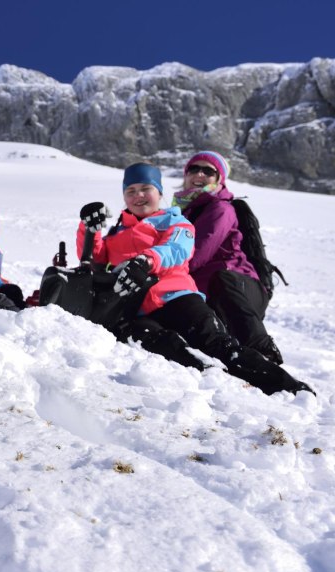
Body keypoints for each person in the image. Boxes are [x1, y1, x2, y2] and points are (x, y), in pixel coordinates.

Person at [77, 163, 312, 396]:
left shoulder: (174, 221)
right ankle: (216, 380)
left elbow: (178, 248)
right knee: (162, 346)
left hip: (178, 298)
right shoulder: (116, 234)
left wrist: (147, 261)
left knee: (220, 345)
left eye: (145, 188)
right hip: (136, 310)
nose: (138, 195)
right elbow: (93, 259)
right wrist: (89, 228)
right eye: (130, 191)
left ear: (159, 192)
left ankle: (290, 389)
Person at [173, 150, 284, 364]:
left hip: (237, 288)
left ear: (219, 179)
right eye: (194, 169)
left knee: (221, 279)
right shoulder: (184, 210)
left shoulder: (220, 208)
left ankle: (264, 355)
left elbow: (196, 255)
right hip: (210, 292)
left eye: (208, 171)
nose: (200, 174)